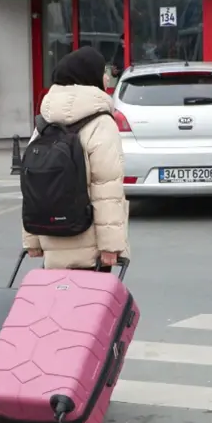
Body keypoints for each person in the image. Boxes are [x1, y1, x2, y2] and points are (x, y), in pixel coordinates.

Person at [23, 47, 129, 271]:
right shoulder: (101, 122)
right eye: (102, 71)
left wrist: (31, 240)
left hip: (49, 236)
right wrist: (111, 246)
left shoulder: (45, 121)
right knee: (90, 294)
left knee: (57, 293)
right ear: (88, 76)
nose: (107, 77)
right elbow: (106, 188)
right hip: (89, 243)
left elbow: (32, 184)